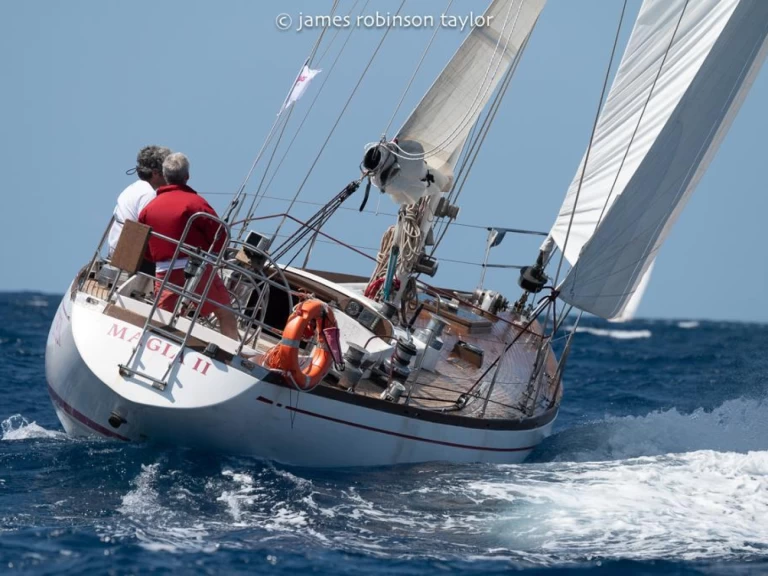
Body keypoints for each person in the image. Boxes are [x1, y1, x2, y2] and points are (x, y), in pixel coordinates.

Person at [138, 153, 239, 340]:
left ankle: (155, 345)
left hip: (165, 273)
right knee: (225, 315)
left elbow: (142, 246)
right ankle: (232, 356)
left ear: (165, 175)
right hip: (198, 271)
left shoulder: (148, 208)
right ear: (187, 177)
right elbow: (220, 236)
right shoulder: (196, 203)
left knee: (163, 318)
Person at [108, 145, 172, 260]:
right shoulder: (148, 194)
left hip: (117, 251)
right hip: (128, 257)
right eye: (167, 171)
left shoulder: (134, 188)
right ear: (156, 173)